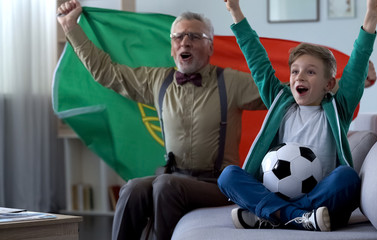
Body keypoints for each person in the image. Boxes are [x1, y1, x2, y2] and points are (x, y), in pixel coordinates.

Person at [56, 1, 266, 240]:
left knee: (165, 185)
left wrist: (310, 82)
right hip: (174, 176)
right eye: (178, 37)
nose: (185, 41)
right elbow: (106, 72)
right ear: (171, 48)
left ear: (210, 47)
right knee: (133, 188)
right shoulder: (158, 81)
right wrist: (71, 26)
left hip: (218, 184)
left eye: (194, 36)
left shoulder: (231, 82)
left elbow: (274, 93)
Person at [218, 0, 377, 232]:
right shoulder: (280, 102)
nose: (300, 77)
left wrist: (371, 16)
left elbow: (357, 66)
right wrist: (235, 11)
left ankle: (272, 215)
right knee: (228, 176)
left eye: (310, 72)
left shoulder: (339, 108)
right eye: (295, 71)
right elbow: (257, 61)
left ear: (328, 84)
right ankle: (298, 217)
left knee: (346, 177)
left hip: (319, 197)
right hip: (280, 195)